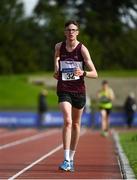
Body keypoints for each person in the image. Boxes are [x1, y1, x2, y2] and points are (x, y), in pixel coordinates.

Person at [53, 20, 98, 172]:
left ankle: (71, 158)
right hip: (64, 88)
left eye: (73, 30)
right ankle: (66, 159)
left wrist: (83, 72)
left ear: (77, 32)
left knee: (77, 124)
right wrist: (56, 70)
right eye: (68, 30)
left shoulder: (82, 49)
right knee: (67, 120)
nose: (71, 32)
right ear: (65, 32)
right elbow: (57, 58)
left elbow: (95, 73)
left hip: (79, 90)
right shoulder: (59, 46)